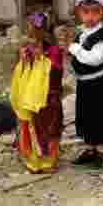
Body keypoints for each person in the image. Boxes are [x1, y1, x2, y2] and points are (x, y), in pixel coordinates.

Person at [68, 0, 103, 167]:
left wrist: (74, 49)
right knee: (87, 116)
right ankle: (90, 148)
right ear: (79, 13)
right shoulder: (82, 32)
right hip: (84, 84)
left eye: (95, 12)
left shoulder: (101, 37)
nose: (90, 16)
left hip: (98, 84)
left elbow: (94, 59)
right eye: (85, 12)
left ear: (102, 13)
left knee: (100, 116)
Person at [9, 11, 64, 174]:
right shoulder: (28, 49)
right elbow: (24, 71)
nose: (31, 39)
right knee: (32, 126)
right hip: (31, 98)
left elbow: (57, 71)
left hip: (49, 100)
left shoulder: (54, 51)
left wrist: (43, 60)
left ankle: (48, 161)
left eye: (34, 35)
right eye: (29, 35)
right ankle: (32, 159)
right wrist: (25, 59)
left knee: (49, 129)